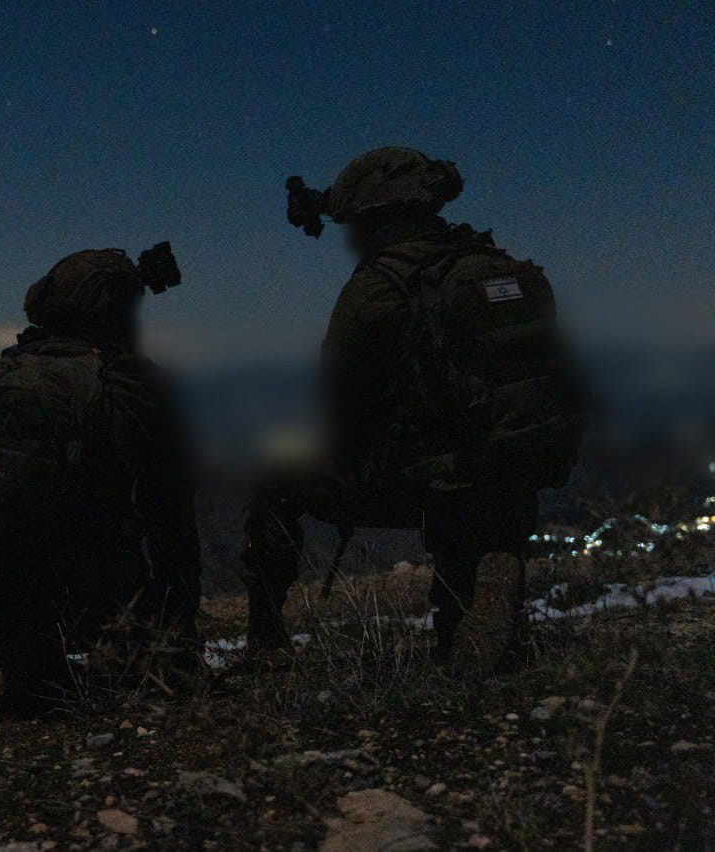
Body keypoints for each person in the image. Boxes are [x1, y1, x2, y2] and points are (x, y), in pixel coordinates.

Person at [244, 147, 588, 666]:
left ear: (373, 219)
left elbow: (341, 398)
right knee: (470, 469)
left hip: (426, 478)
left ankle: (267, 641)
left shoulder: (378, 286)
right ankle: (483, 576)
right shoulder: (499, 268)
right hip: (513, 475)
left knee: (273, 470)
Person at [0, 246, 202, 722]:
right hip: (91, 596)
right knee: (162, 672)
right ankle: (95, 666)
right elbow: (170, 517)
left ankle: (27, 663)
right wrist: (180, 629)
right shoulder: (133, 384)